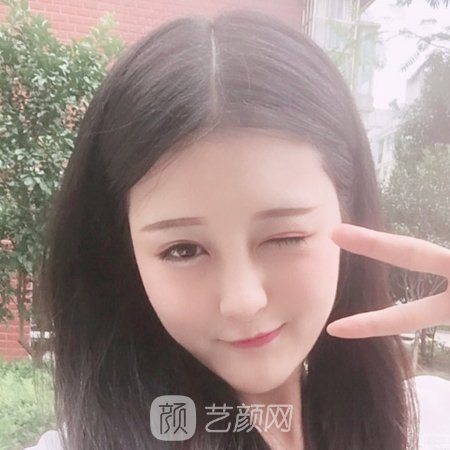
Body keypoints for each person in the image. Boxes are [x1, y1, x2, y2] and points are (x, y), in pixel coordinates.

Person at [24, 9, 450, 450]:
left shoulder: (430, 424)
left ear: (349, 211)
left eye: (284, 237)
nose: (243, 301)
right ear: (124, 253)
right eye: (183, 250)